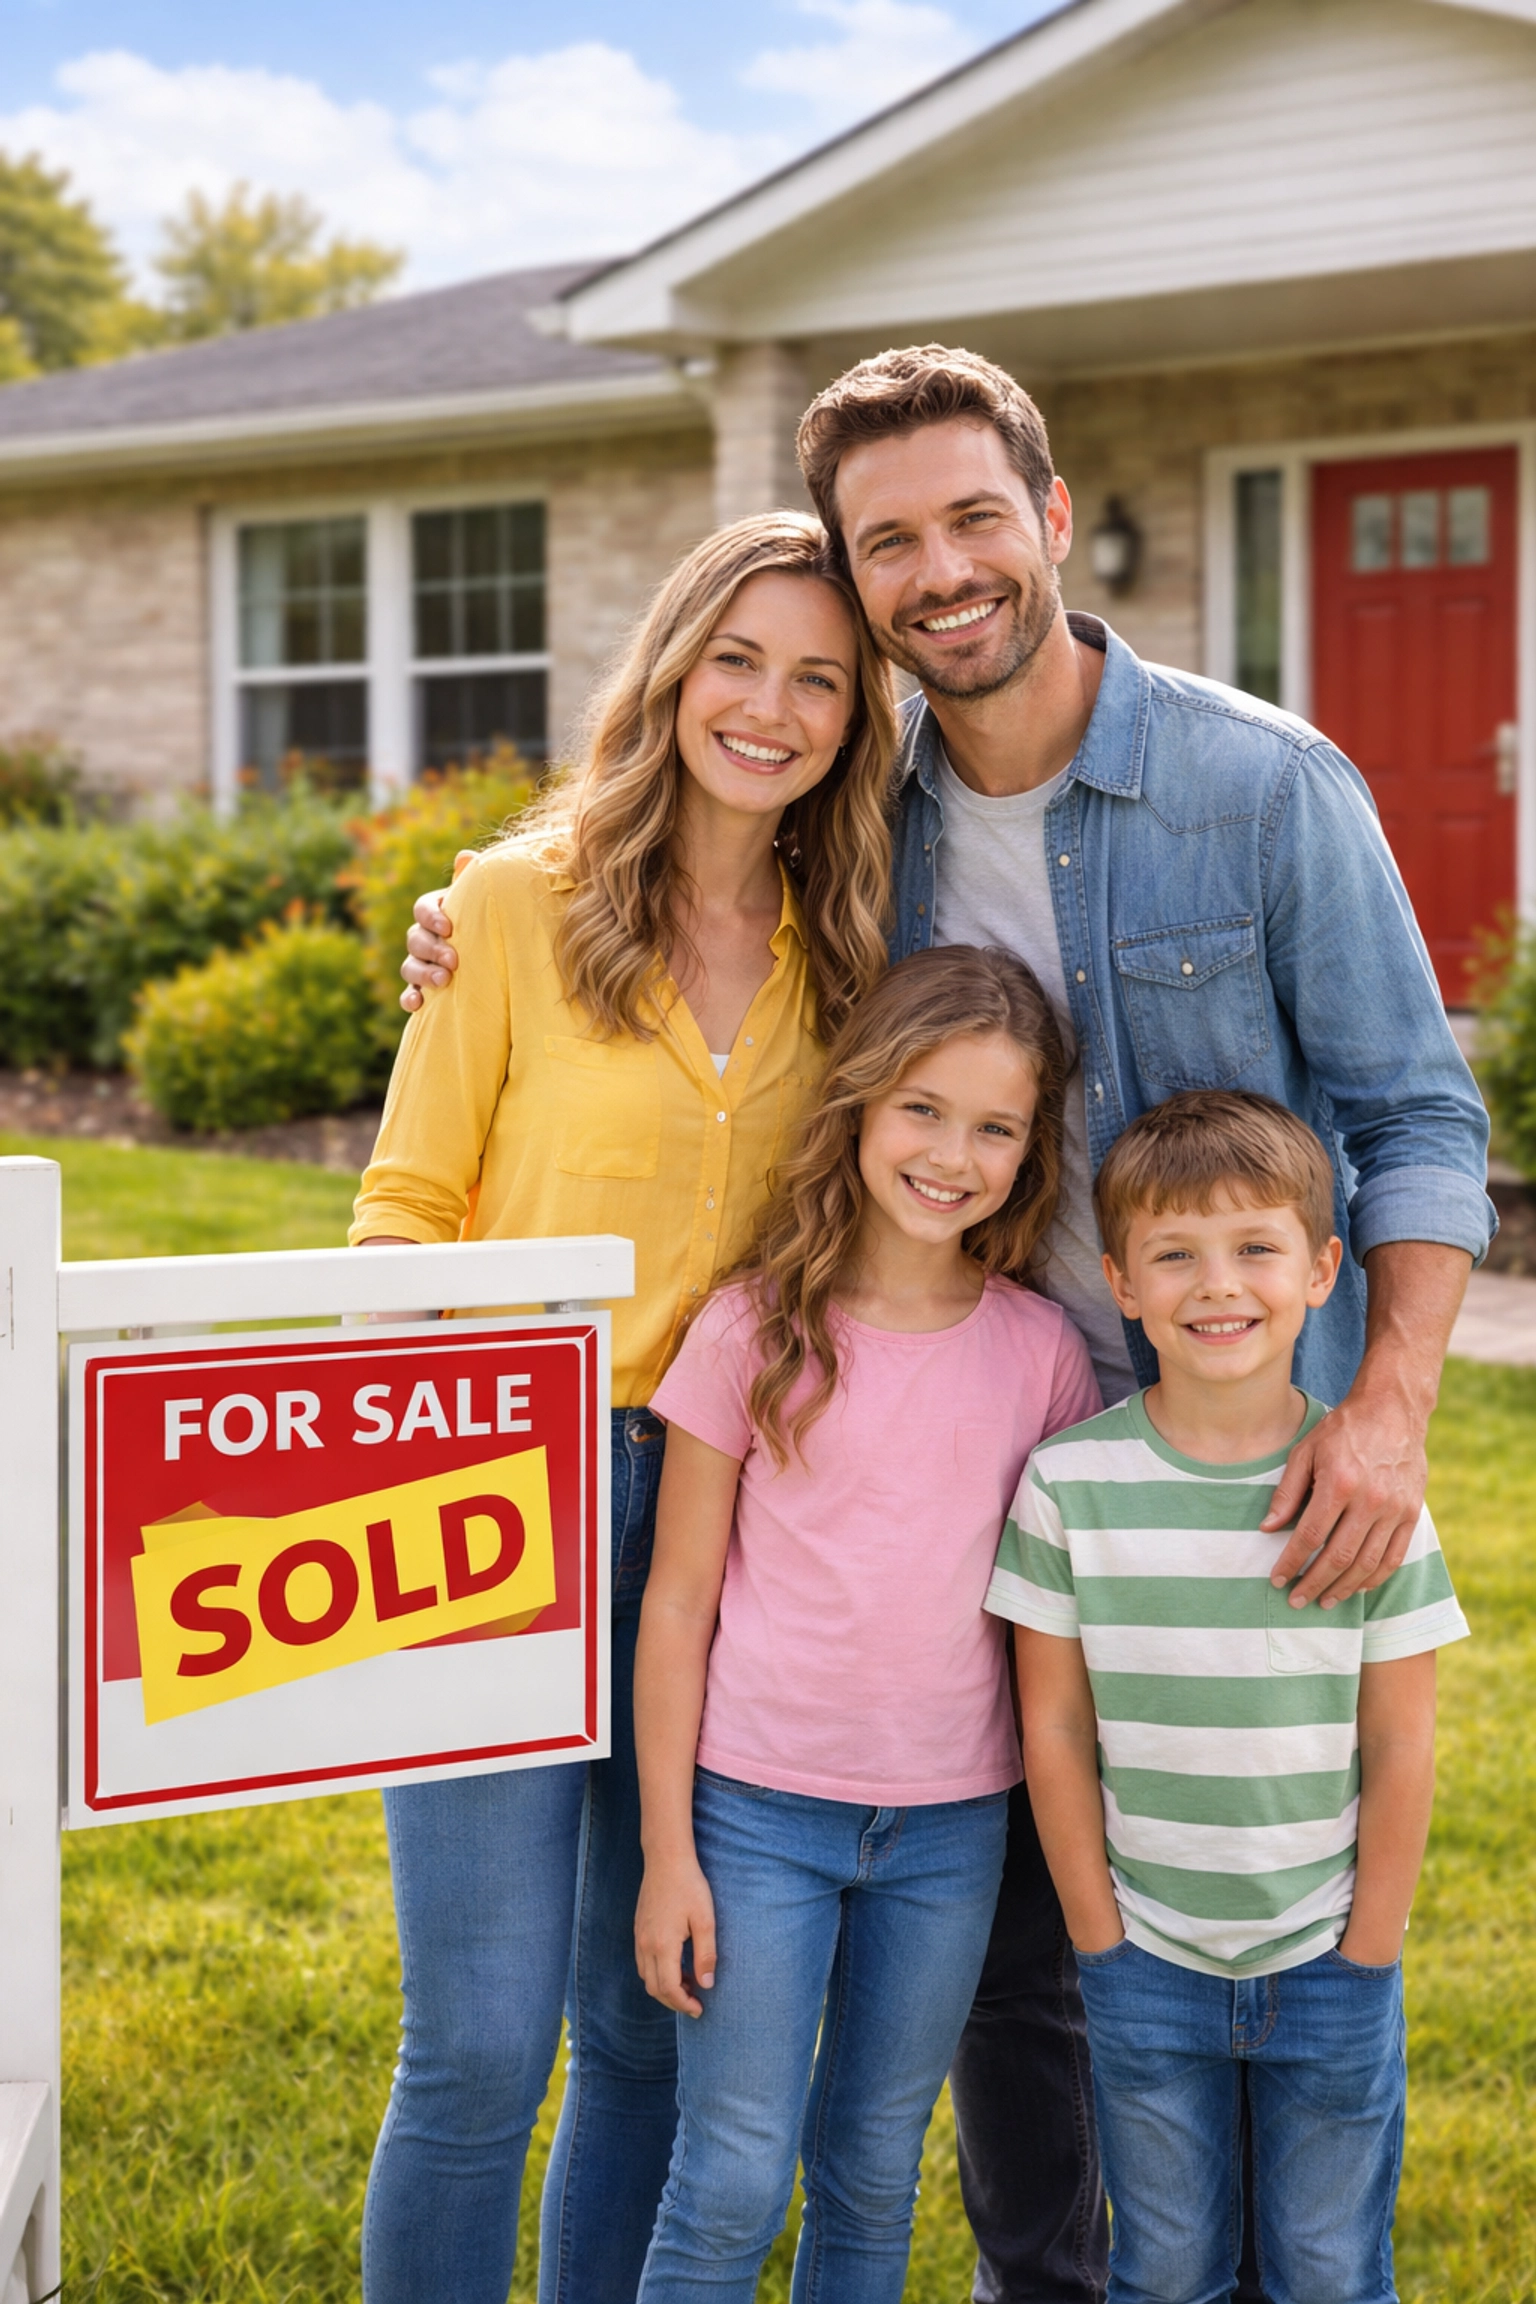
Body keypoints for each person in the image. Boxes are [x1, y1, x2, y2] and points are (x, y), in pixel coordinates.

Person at [398, 345, 1493, 2302]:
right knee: (1011, 2001)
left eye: (974, 517)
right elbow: (666, 916)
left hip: (1219, 1493)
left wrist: (1392, 1401)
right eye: (885, 542)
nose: (938, 570)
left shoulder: (1262, 784)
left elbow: (1418, 1114)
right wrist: (481, 923)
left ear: (1053, 521)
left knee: (1253, 1996)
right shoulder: (853, 829)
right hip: (918, 1490)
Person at [349, 510, 899, 2304]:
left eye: (820, 675)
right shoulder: (512, 905)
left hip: (734, 1525)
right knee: (483, 2044)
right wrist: (436, 1413)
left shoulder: (855, 946)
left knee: (644, 2016)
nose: (772, 704)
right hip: (499, 1488)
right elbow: (404, 1203)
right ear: (670, 669)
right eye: (736, 657)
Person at [633, 945, 1101, 2302]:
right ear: (856, 1106)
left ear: (1030, 1149)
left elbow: (1050, 1622)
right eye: (924, 1109)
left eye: (996, 1127)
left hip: (951, 1830)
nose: (954, 1153)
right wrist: (671, 1850)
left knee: (876, 2170)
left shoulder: (1040, 1354)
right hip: (755, 1816)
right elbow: (676, 1605)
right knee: (728, 2173)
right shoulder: (750, 1329)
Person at [989, 1089, 1468, 2302]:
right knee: (1167, 2274)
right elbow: (1051, 1725)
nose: (1218, 1285)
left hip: (1329, 1961)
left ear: (1320, 1271)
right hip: (1143, 1959)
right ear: (1121, 1284)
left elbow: (1403, 1738)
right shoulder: (1069, 1484)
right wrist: (1098, 1935)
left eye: (1255, 1248)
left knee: (1326, 2272)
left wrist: (1370, 1950)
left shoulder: (1365, 1490)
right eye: (1175, 1256)